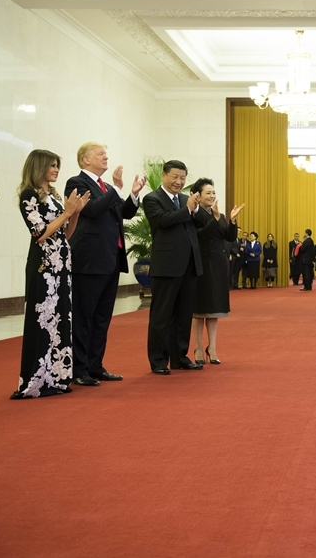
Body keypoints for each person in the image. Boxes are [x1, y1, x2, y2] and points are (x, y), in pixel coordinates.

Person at [64, 141, 144, 386]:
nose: (106, 157)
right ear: (85, 159)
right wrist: (116, 190)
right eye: (100, 154)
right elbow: (92, 210)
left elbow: (124, 213)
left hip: (111, 259)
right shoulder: (76, 183)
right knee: (84, 317)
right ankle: (79, 369)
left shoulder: (107, 187)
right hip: (89, 260)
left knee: (102, 317)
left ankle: (95, 366)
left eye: (106, 154)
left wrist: (133, 194)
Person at [13, 149, 89, 399]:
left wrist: (75, 213)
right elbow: (39, 233)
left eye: (57, 166)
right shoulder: (29, 195)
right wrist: (67, 212)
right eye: (52, 165)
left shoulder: (54, 197)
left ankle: (57, 377)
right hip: (43, 266)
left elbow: (66, 234)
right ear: (39, 167)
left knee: (61, 318)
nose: (56, 170)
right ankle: (36, 380)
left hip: (62, 264)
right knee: (42, 319)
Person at [143, 160, 210, 374]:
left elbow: (203, 221)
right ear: (164, 175)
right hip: (166, 266)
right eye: (175, 177)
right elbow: (162, 221)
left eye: (182, 178)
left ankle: (180, 356)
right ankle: (158, 360)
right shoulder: (152, 198)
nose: (179, 182)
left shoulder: (185, 199)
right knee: (162, 315)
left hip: (190, 265)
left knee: (183, 314)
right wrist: (187, 209)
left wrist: (195, 207)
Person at [190, 178, 243, 365]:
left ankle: (212, 348)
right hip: (201, 265)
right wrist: (215, 219)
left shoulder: (218, 214)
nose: (212, 196)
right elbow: (200, 235)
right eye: (208, 193)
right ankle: (198, 347)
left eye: (213, 192)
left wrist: (232, 220)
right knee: (199, 310)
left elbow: (229, 237)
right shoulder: (194, 213)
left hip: (219, 265)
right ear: (198, 195)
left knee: (214, 310)